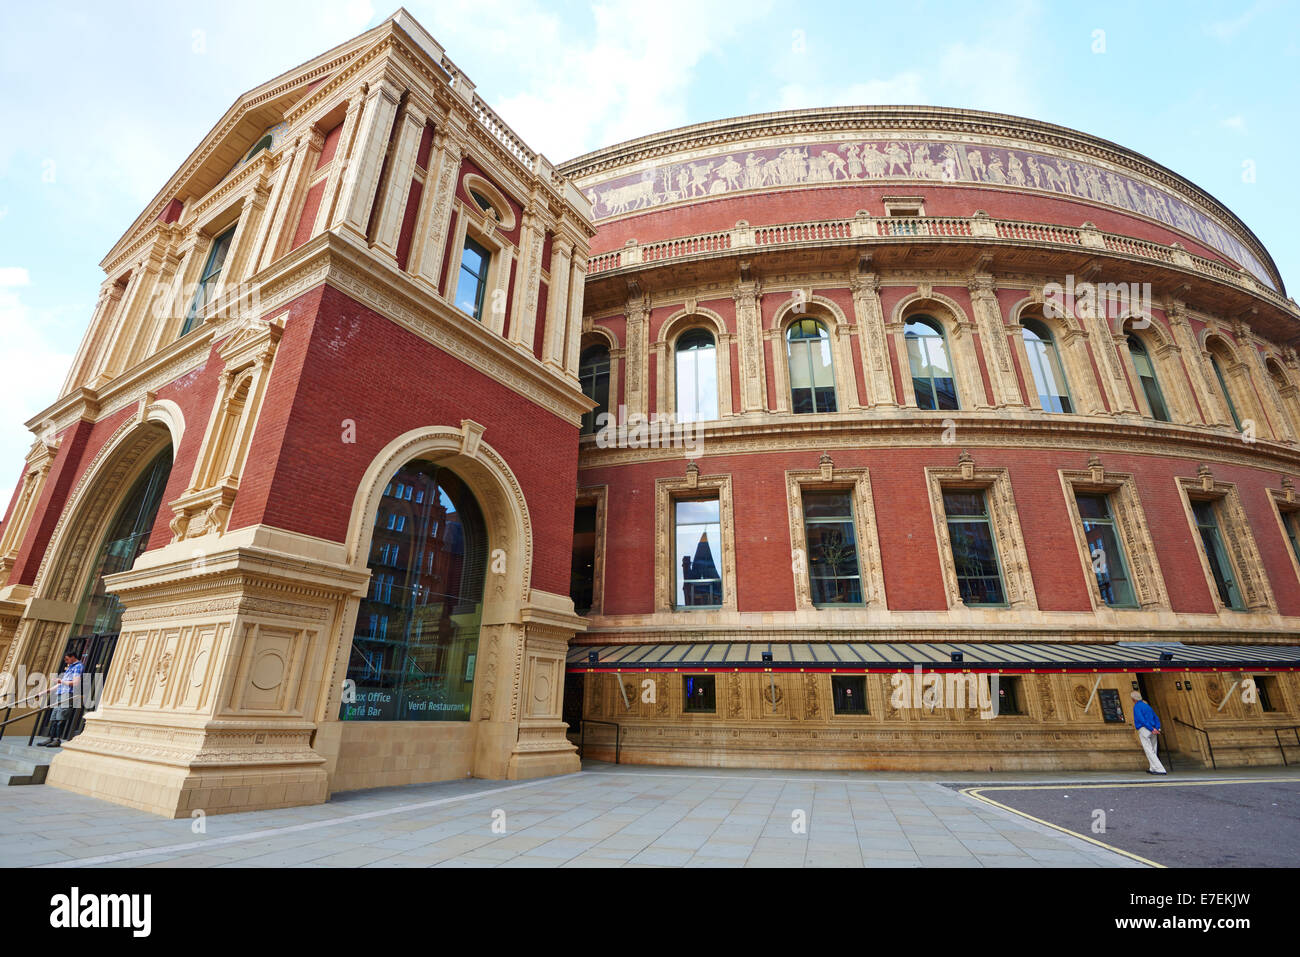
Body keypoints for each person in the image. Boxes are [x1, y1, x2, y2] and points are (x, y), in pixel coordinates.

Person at [39, 653, 83, 748]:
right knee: (54, 717)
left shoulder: (78, 666)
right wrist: (46, 691)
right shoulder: (70, 667)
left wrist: (61, 681)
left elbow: (75, 683)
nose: (66, 661)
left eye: (67, 659)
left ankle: (58, 740)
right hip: (60, 693)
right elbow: (61, 684)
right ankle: (51, 738)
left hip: (68, 694)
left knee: (60, 718)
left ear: (73, 657)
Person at [1131, 690, 1166, 774]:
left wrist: (1151, 728)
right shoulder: (1147, 706)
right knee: (1153, 749)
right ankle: (1153, 768)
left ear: (1133, 699)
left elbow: (1141, 719)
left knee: (1149, 750)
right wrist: (1157, 728)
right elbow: (1156, 718)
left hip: (1145, 729)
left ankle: (1160, 769)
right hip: (1153, 730)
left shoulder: (1137, 707)